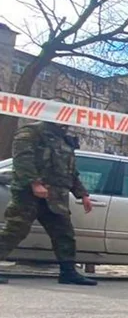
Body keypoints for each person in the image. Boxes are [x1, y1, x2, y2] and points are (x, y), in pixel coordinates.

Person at [0, 121, 98, 286]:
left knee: (64, 234)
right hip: (28, 194)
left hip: (56, 196)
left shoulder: (63, 139)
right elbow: (22, 159)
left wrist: (82, 194)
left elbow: (69, 171)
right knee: (15, 230)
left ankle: (68, 273)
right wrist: (34, 183)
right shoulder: (31, 132)